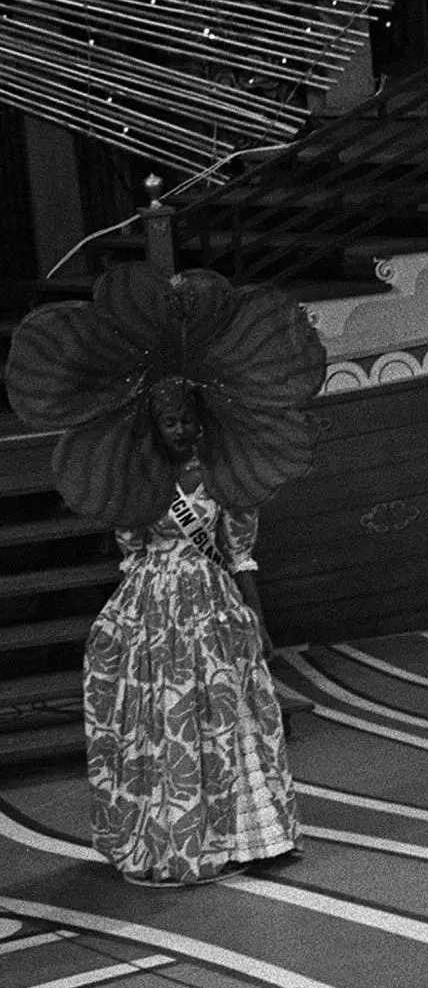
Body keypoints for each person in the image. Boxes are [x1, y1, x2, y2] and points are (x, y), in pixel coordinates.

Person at [85, 377, 301, 886]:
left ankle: (253, 837)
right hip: (154, 611)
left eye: (188, 419)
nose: (181, 429)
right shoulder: (142, 480)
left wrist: (258, 621)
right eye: (170, 421)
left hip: (213, 606)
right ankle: (172, 834)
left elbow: (240, 557)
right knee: (168, 716)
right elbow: (133, 549)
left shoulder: (226, 478)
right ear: (155, 427)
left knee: (228, 713)